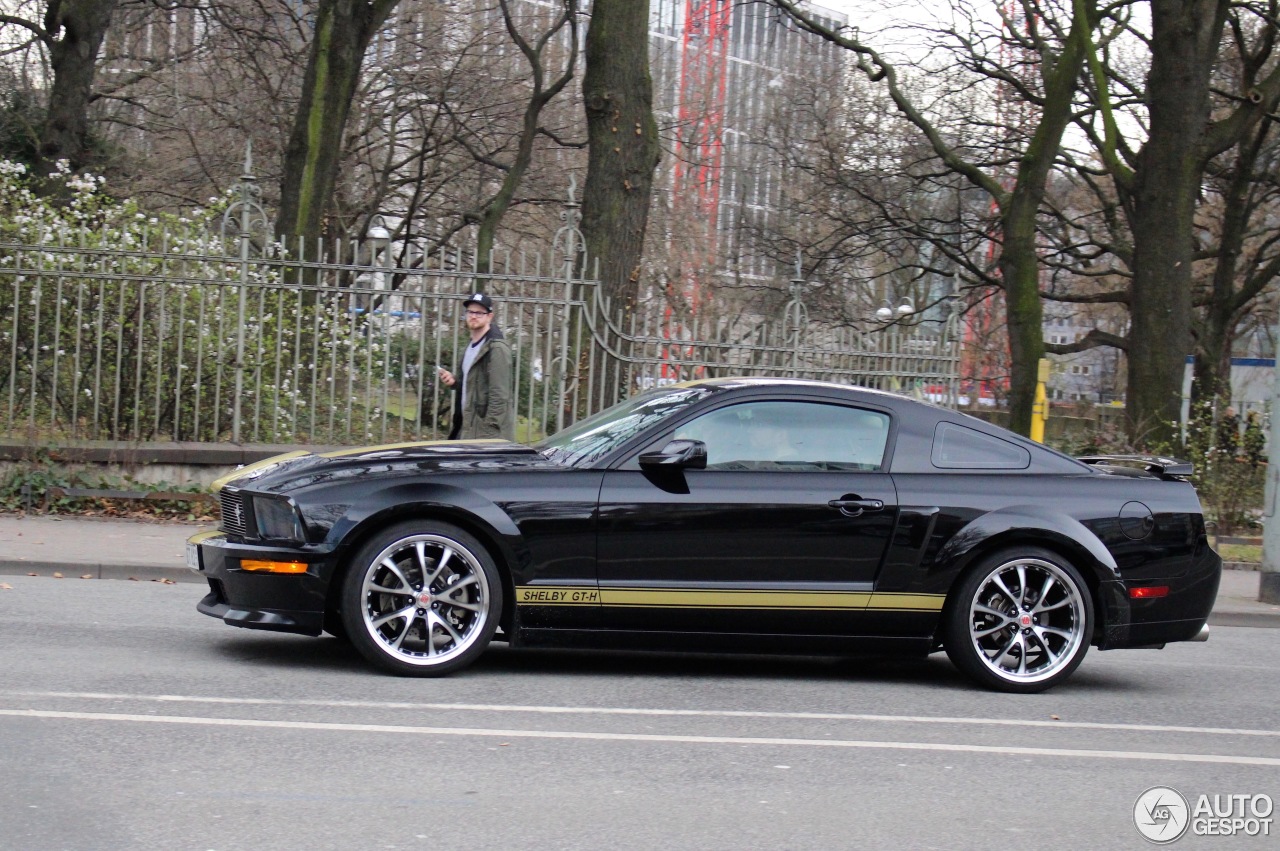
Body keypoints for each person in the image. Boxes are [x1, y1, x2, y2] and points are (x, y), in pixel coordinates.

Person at [437, 292, 516, 441]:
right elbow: (474, 386)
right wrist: (454, 382)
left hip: (485, 434)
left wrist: (488, 433)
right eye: (470, 312)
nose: (473, 316)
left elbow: (499, 396)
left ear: (489, 317)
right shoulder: (469, 347)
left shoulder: (496, 348)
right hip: (467, 428)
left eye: (479, 313)